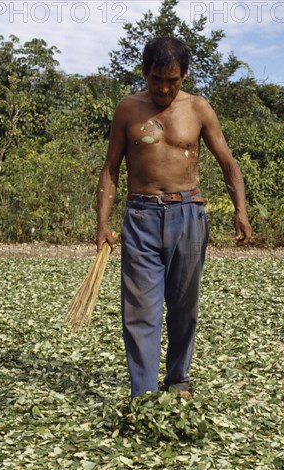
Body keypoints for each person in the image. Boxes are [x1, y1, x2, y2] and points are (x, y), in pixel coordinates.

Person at [96, 37, 252, 400]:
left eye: (173, 80)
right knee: (140, 310)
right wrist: (102, 224)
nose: (164, 88)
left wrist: (241, 212)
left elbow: (229, 164)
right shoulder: (128, 109)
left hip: (189, 214)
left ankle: (178, 380)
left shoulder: (198, 109)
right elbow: (110, 170)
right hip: (141, 216)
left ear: (184, 75)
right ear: (144, 72)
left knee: (184, 306)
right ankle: (144, 393)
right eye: (156, 79)